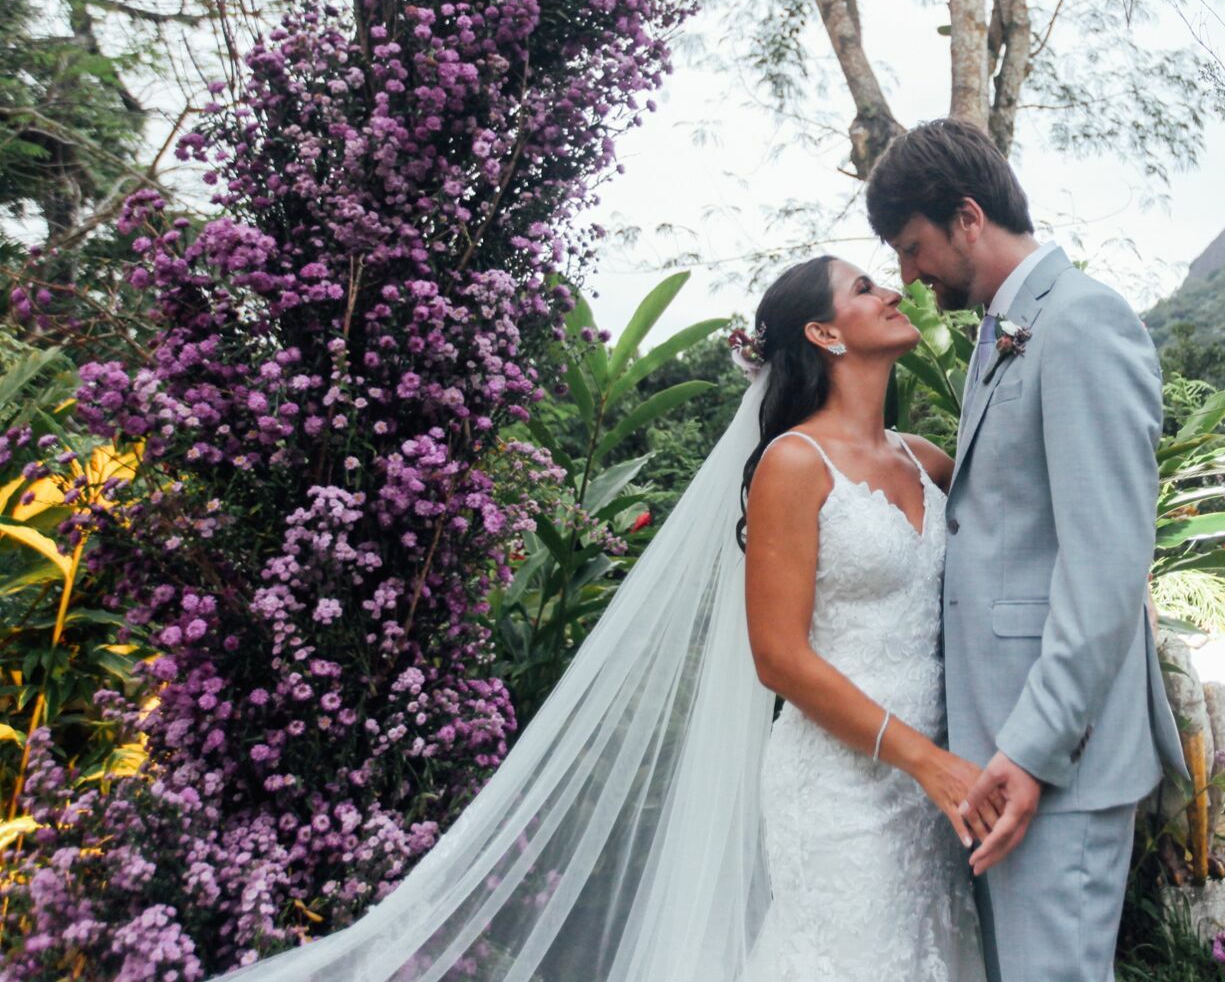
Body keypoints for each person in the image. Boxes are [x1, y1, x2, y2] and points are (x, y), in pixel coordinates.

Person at [214, 256, 991, 980]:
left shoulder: (925, 460)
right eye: (863, 288)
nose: (890, 290)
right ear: (824, 333)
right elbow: (779, 659)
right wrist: (924, 759)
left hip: (941, 785)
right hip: (847, 787)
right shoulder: (795, 463)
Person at [866, 119, 1187, 982]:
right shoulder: (1001, 332)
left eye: (913, 246)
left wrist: (1034, 749)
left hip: (1055, 759)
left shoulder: (1083, 322)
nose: (908, 277)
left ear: (969, 217)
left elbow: (1107, 567)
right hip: (1001, 751)